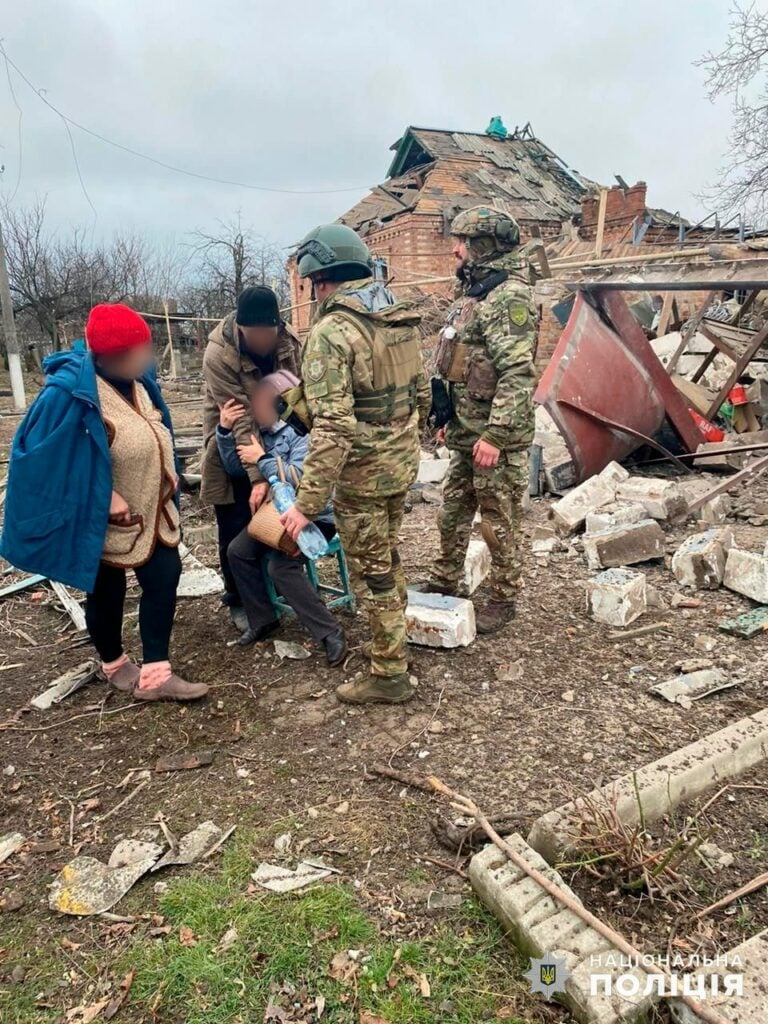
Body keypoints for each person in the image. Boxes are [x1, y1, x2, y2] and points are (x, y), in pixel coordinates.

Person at [1, 303, 207, 701]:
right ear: (112, 355)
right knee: (106, 591)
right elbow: (43, 464)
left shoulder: (141, 381)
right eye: (140, 350)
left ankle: (156, 675)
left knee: (165, 576)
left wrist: (168, 469)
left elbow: (154, 428)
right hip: (105, 520)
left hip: (153, 510)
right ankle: (114, 663)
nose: (148, 356)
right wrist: (102, 495)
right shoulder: (69, 394)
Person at [281, 224, 430, 705]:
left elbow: (334, 429)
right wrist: (399, 445)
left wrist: (306, 504)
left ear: (319, 279)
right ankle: (395, 645)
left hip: (363, 476)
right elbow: (422, 397)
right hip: (400, 464)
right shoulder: (397, 314)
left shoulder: (331, 331)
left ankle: (389, 673)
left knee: (373, 573)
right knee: (387, 555)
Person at [426, 206, 537, 633]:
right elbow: (460, 361)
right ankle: (445, 580)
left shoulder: (508, 296)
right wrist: (446, 417)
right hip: (464, 433)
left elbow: (517, 372)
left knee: (497, 522)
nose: (455, 249)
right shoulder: (475, 292)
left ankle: (503, 598)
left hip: (494, 439)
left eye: (463, 242)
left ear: (484, 246)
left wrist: (495, 434)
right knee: (452, 514)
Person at [214, 371, 347, 664]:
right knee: (237, 551)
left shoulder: (304, 432)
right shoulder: (257, 432)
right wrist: (224, 432)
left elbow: (301, 479)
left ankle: (329, 632)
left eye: (263, 403)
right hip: (275, 515)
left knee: (281, 567)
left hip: (315, 516)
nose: (257, 409)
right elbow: (236, 468)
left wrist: (263, 459)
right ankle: (262, 619)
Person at [201, 285, 301, 627]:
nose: (262, 341)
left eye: (268, 334)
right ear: (241, 329)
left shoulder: (288, 342)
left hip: (277, 435)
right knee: (234, 522)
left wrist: (292, 456)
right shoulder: (220, 355)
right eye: (254, 335)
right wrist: (260, 475)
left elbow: (298, 396)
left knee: (278, 515)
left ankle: (279, 585)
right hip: (232, 437)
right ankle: (239, 598)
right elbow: (240, 417)